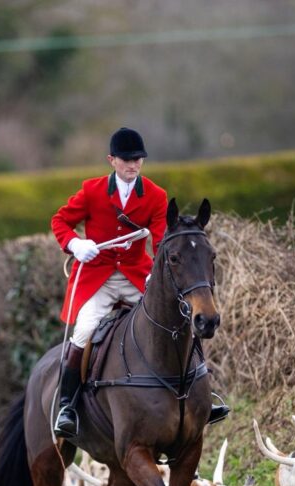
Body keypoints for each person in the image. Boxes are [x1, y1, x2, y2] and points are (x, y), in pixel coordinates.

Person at [50, 127, 228, 438]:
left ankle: (202, 395)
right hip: (100, 278)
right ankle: (68, 406)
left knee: (177, 321)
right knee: (83, 331)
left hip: (136, 275)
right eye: (127, 160)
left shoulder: (156, 196)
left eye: (138, 160)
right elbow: (60, 221)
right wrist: (76, 244)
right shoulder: (92, 191)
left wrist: (154, 275)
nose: (133, 165)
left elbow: (161, 241)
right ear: (112, 160)